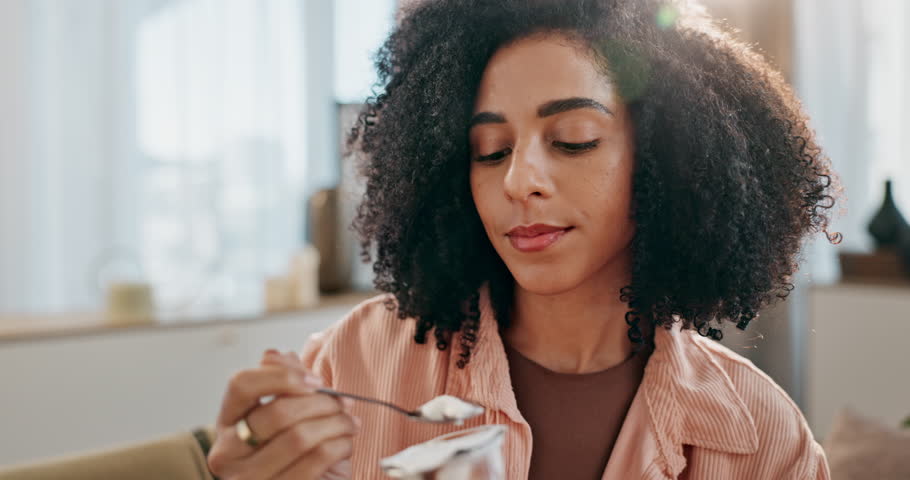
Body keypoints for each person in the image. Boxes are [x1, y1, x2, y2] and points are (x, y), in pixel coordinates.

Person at [206, 0, 840, 478]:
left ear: (667, 159)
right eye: (490, 150)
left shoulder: (761, 434)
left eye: (573, 139)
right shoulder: (358, 362)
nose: (519, 180)